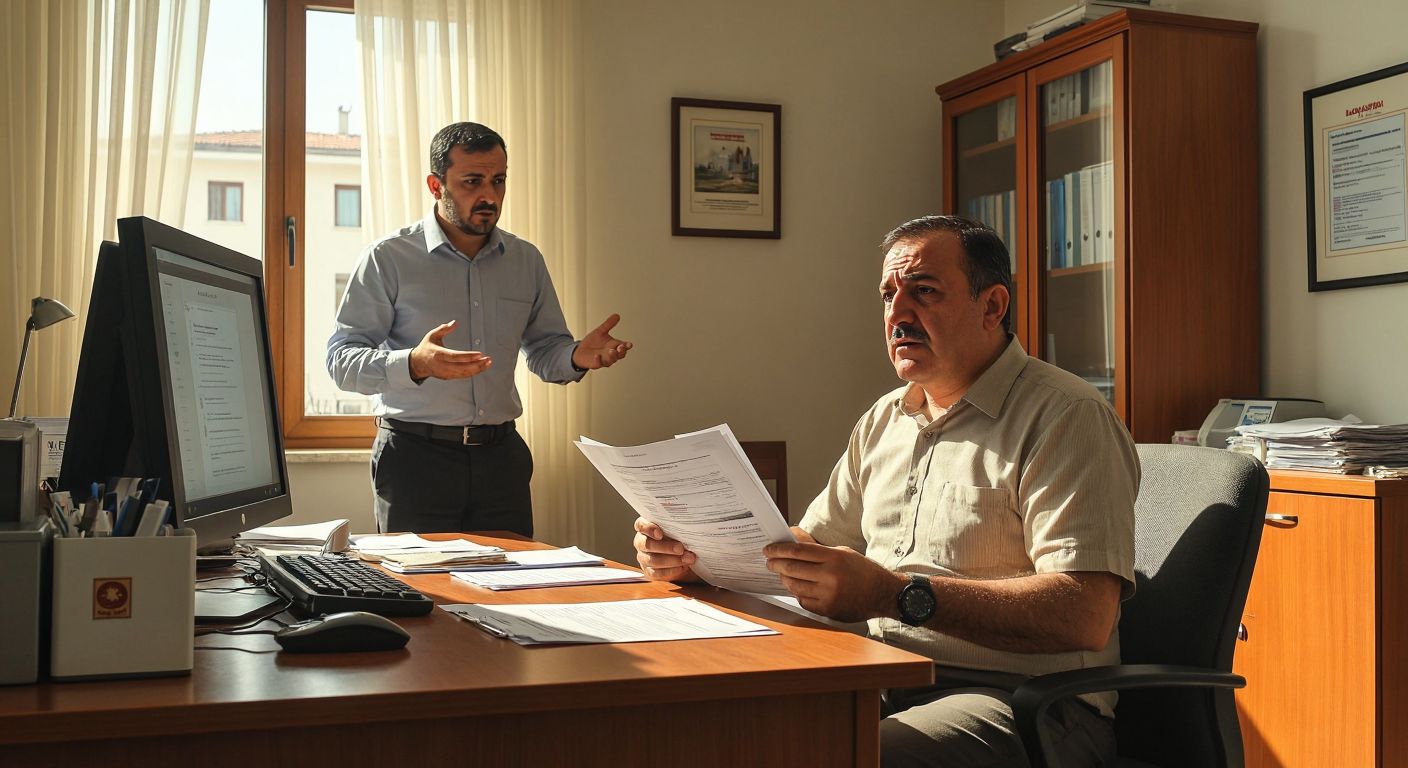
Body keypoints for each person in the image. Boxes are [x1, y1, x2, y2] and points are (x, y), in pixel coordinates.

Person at [632, 215, 1137, 766]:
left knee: (832, 756)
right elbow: (812, 543)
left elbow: (1083, 613)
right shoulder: (885, 420)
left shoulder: (1067, 417)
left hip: (1021, 705)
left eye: (923, 292)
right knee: (698, 732)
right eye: (888, 296)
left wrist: (893, 595)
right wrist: (697, 555)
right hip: (879, 676)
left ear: (992, 307)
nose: (897, 315)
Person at [329, 121, 631, 537]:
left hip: (500, 460)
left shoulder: (525, 260)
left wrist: (577, 356)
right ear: (436, 186)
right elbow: (341, 361)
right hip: (416, 458)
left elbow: (545, 351)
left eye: (498, 180)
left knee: (508, 595)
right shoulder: (388, 259)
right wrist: (414, 363)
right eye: (472, 181)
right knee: (422, 597)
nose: (489, 195)